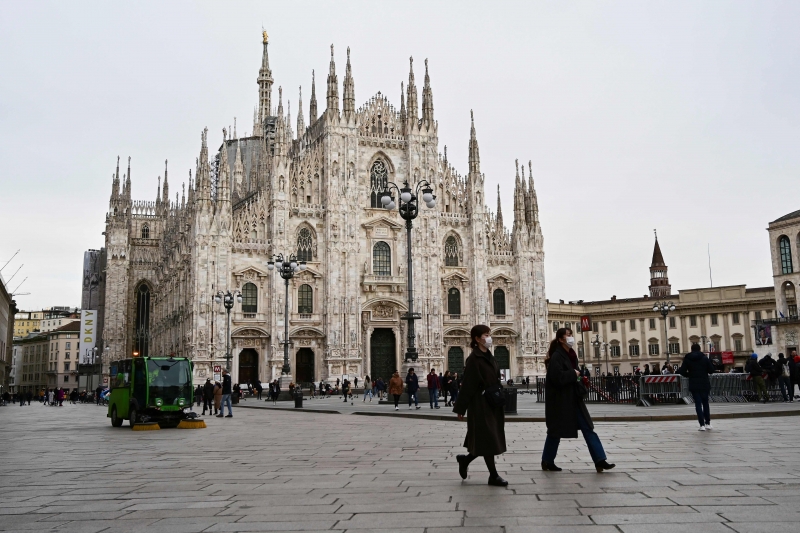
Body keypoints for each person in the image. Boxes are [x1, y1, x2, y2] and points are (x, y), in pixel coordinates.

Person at [541, 327, 615, 473]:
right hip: (561, 401)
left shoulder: (571, 355)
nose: (571, 338)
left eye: (571, 335)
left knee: (588, 428)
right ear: (560, 339)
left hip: (574, 399)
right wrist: (573, 374)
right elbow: (557, 378)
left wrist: (580, 378)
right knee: (555, 431)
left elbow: (573, 375)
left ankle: (600, 460)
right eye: (568, 335)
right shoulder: (557, 356)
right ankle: (547, 460)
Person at [453, 324, 508, 487]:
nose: (489, 337)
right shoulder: (474, 359)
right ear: (477, 339)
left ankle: (465, 460)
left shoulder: (490, 356)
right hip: (480, 404)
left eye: (489, 334)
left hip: (493, 402)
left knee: (487, 438)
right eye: (485, 335)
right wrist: (461, 408)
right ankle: (493, 475)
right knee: (488, 438)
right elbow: (468, 385)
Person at [677, 343, 715, 431]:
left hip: (693, 383)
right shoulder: (704, 358)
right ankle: (707, 423)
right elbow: (711, 370)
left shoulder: (687, 358)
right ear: (699, 349)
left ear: (691, 349)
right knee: (705, 403)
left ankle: (701, 425)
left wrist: (689, 375)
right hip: (704, 382)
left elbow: (682, 371)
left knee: (698, 403)